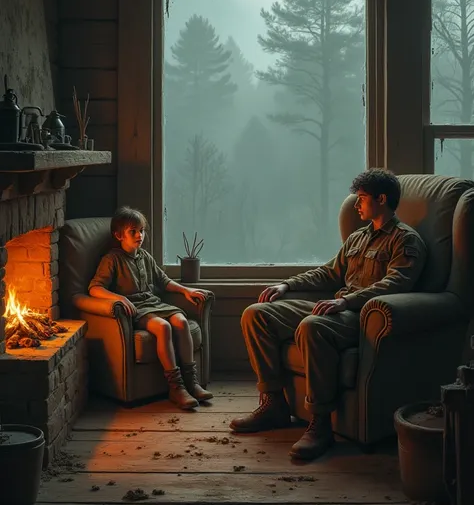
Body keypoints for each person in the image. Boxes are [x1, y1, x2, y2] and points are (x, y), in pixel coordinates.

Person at [229, 169, 427, 460]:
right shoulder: (358, 237)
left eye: (361, 199)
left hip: (361, 316)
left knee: (312, 326)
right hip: (336, 307)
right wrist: (286, 284)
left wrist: (347, 302)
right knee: (256, 314)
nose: (356, 205)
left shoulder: (405, 240)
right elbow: (328, 273)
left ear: (381, 199)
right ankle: (273, 403)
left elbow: (397, 283)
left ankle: (320, 423)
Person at [88, 206, 213, 410]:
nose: (139, 235)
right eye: (133, 231)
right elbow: (94, 288)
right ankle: (176, 387)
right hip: (136, 308)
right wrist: (118, 298)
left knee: (180, 322)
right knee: (163, 327)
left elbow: (163, 280)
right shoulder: (112, 259)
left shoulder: (144, 256)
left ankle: (192, 382)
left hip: (154, 302)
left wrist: (185, 291)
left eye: (142, 230)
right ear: (119, 235)